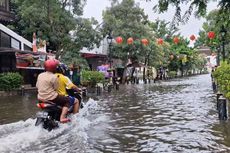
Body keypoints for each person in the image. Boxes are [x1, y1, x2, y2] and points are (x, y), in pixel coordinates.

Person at [36, 59, 70, 123]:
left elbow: (37, 86)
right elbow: (56, 88)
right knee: (67, 101)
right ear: (54, 68)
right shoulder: (54, 77)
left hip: (40, 98)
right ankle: (62, 117)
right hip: (52, 98)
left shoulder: (40, 75)